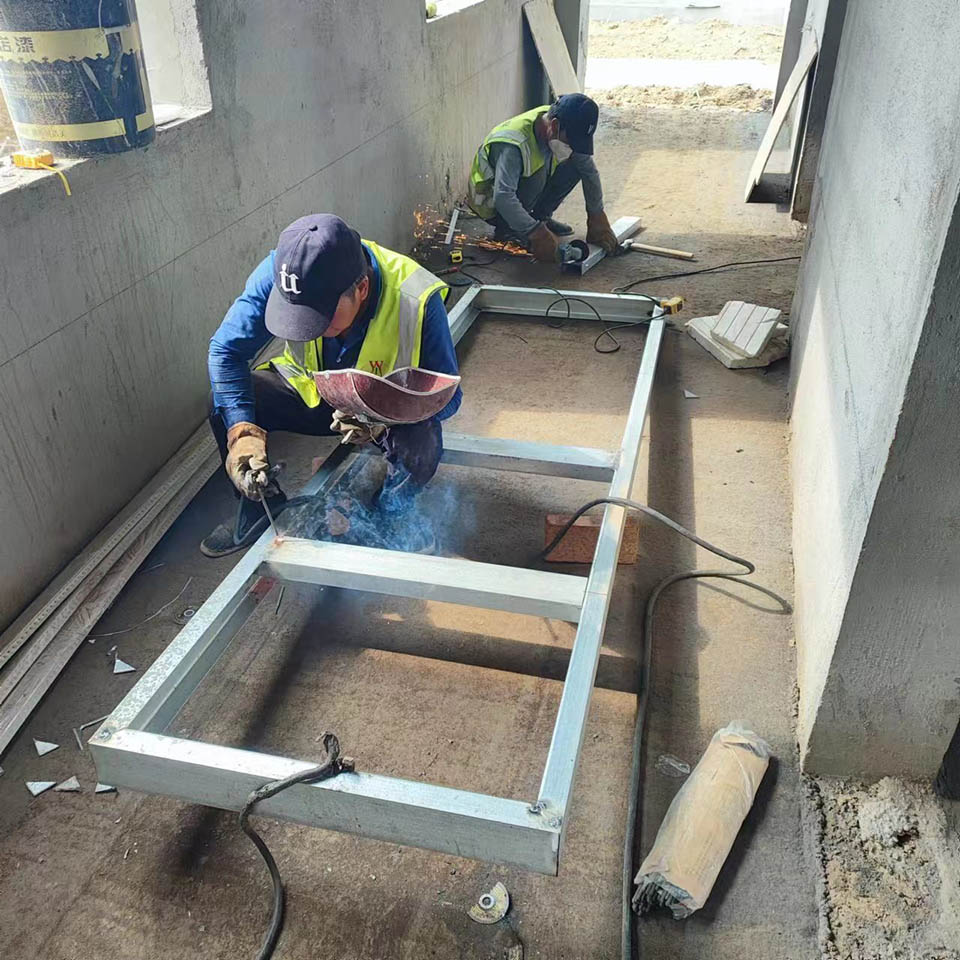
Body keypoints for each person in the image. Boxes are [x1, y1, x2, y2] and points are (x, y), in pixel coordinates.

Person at [201, 214, 461, 557]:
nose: (309, 329)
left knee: (422, 438)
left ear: (361, 289)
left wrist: (382, 417)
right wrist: (242, 433)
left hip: (381, 413)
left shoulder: (414, 297)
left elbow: (448, 399)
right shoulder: (282, 275)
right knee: (224, 403)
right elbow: (225, 352)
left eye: (321, 317)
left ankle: (392, 517)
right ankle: (259, 505)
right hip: (313, 394)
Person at [467, 93, 619, 263]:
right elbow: (503, 197)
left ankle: (541, 218)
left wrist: (596, 214)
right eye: (570, 141)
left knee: (575, 166)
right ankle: (509, 229)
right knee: (536, 174)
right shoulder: (513, 144)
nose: (572, 147)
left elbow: (589, 171)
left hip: (518, 194)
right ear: (554, 125)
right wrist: (535, 232)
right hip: (494, 206)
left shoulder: (559, 121)